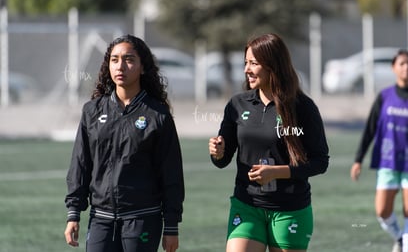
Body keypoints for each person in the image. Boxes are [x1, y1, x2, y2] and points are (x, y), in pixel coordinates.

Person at [208, 33, 329, 252]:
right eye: (246, 63)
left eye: (253, 63)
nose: (246, 69)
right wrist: (218, 151)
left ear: (273, 65)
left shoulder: (303, 107)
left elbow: (320, 162)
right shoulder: (238, 104)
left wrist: (276, 172)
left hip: (290, 209)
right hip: (246, 205)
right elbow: (222, 159)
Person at [64, 34, 185, 252]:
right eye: (115, 59)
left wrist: (171, 225)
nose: (121, 66)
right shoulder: (92, 111)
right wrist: (74, 212)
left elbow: (171, 173)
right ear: (108, 65)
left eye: (129, 59)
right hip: (100, 218)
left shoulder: (157, 114)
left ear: (142, 67)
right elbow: (80, 164)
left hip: (143, 218)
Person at [350, 49, 408, 252]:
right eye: (402, 63)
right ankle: (400, 238)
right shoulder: (384, 96)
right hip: (388, 162)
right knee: (382, 211)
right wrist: (358, 159)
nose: (406, 67)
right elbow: (370, 128)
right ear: (394, 68)